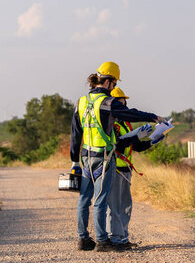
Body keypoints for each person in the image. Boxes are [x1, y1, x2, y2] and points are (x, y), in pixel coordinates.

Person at [70, 61, 164, 252]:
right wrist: (153, 117)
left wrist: (74, 160)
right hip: (103, 157)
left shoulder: (81, 102)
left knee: (84, 199)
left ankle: (83, 239)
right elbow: (131, 114)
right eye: (114, 83)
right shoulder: (107, 103)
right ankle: (103, 242)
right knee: (100, 200)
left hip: (85, 157)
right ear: (109, 81)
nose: (114, 87)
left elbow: (75, 133)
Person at [106, 88, 165, 249]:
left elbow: (135, 147)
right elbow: (117, 145)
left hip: (126, 169)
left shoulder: (125, 123)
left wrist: (151, 141)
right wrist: (136, 136)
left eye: (123, 100)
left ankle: (123, 237)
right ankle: (115, 239)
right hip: (115, 168)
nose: (122, 102)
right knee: (114, 206)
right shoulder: (112, 123)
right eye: (119, 100)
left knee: (125, 206)